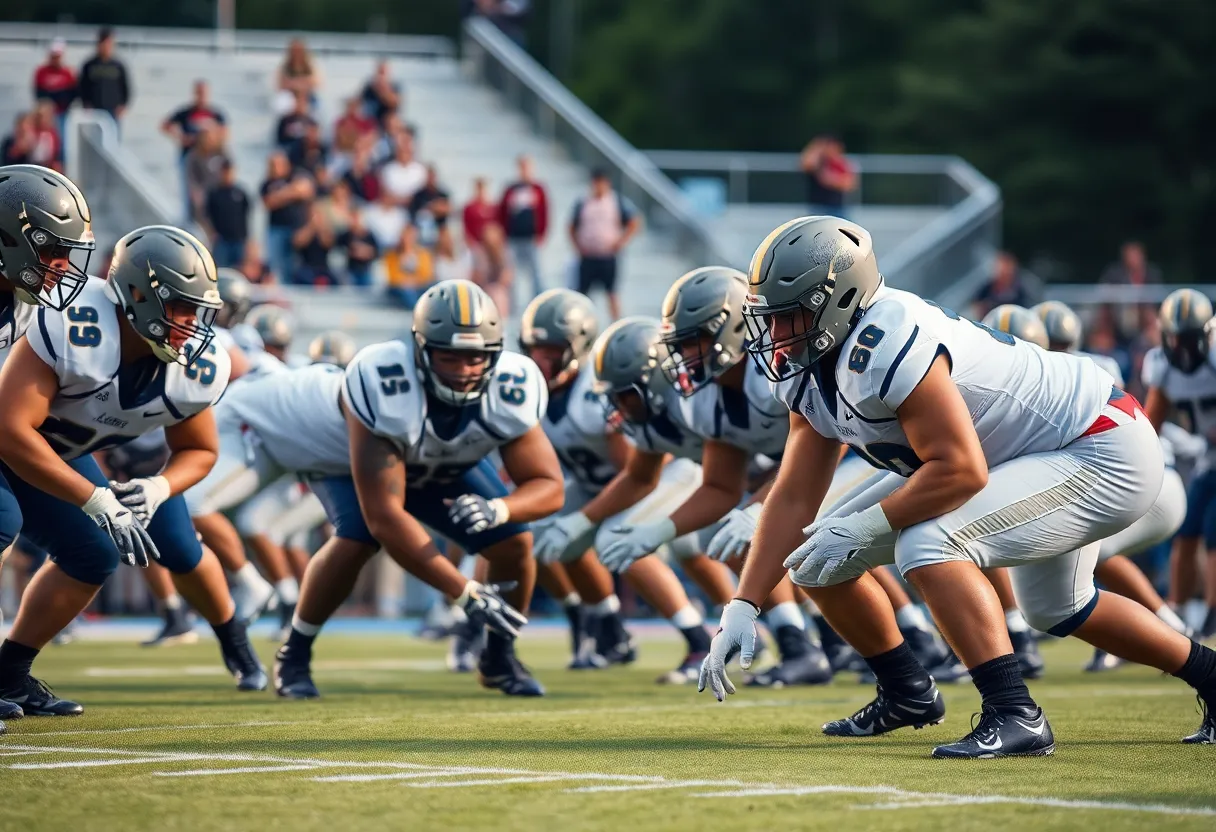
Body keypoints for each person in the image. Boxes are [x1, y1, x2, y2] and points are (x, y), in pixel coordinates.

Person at [701, 214, 1216, 755]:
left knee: (927, 542)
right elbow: (795, 492)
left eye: (790, 317)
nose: (776, 337)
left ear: (838, 299)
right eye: (771, 319)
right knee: (816, 557)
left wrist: (867, 525)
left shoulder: (886, 339)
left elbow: (959, 470)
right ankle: (907, 691)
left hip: (1099, 444)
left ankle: (1015, 713)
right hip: (1024, 456)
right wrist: (744, 602)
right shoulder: (813, 362)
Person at [0, 225, 268, 720]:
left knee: (104, 552)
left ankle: (11, 673)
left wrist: (159, 485)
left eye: (200, 310)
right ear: (138, 295)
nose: (193, 324)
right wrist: (94, 499)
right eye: (181, 307)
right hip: (18, 438)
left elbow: (200, 449)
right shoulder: (74, 324)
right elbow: (10, 431)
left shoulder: (197, 365)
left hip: (83, 455)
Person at [597, 267, 832, 687]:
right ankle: (808, 642)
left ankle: (881, 640)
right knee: (727, 536)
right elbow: (720, 487)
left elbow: (830, 445)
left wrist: (760, 507)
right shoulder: (703, 397)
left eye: (693, 342)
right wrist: (658, 532)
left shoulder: (777, 369)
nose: (684, 356)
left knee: (839, 537)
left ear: (735, 328)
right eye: (679, 345)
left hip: (853, 458)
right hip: (799, 473)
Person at [1029, 299, 1189, 672]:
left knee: (1088, 551)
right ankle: (1170, 627)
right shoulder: (1072, 369)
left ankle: (1165, 634)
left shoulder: (1072, 372)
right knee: (1086, 555)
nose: (1057, 353)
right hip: (1141, 477)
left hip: (1148, 481)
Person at [518, 289, 636, 668]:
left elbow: (634, 471)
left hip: (642, 483)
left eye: (551, 350)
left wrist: (588, 517)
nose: (540, 360)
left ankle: (696, 635)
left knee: (625, 539)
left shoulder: (597, 389)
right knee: (539, 530)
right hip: (590, 485)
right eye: (534, 349)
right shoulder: (530, 393)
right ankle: (605, 626)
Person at [1143, 289, 1216, 640]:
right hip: (1208, 460)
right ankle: (1181, 610)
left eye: (1188, 339)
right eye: (1176, 338)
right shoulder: (1162, 367)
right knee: (1186, 535)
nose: (1182, 347)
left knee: (1214, 532)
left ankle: (1212, 616)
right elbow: (1150, 423)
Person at [570, 170, 640, 321]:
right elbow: (571, 226)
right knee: (583, 294)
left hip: (607, 256)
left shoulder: (616, 201)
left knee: (612, 293)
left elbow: (634, 221)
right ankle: (580, 323)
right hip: (588, 256)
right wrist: (578, 246)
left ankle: (616, 324)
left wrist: (620, 242)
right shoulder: (583, 202)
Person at [162, 80, 227, 221]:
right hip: (190, 157)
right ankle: (190, 219)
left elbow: (225, 134)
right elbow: (165, 125)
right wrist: (181, 137)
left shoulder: (215, 114)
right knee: (190, 192)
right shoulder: (186, 112)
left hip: (209, 158)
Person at [260, 151, 314, 287]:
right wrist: (292, 192)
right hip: (276, 229)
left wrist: (280, 195)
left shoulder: (296, 174)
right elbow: (269, 202)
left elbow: (306, 190)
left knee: (294, 266)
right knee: (276, 266)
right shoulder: (267, 183)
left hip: (296, 229)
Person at [500, 155, 549, 302]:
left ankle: (537, 302)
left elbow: (544, 212)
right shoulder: (511, 189)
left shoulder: (538, 189)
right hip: (513, 238)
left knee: (536, 274)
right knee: (512, 275)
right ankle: (512, 304)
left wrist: (541, 233)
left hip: (531, 237)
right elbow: (502, 212)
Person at [78, 28, 130, 125]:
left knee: (113, 137)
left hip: (113, 109)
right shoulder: (90, 65)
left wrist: (123, 105)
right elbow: (82, 86)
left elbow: (125, 86)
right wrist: (85, 103)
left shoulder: (118, 65)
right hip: (95, 109)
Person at [205, 159, 251, 269]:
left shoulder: (240, 193)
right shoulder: (214, 193)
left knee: (239, 270)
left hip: (239, 239)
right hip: (222, 240)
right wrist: (211, 233)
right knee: (221, 269)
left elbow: (246, 215)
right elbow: (207, 215)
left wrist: (247, 239)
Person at [184, 126, 228, 231]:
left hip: (219, 195)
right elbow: (191, 178)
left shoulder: (221, 153)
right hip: (204, 195)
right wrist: (196, 193)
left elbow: (228, 171)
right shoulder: (194, 156)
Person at [800, 135, 856, 215]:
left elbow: (848, 184)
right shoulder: (818, 163)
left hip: (836, 207)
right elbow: (806, 164)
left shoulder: (840, 164)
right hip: (817, 207)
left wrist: (830, 178)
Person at [33, 38, 77, 139]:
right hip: (45, 115)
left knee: (61, 139)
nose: (55, 59)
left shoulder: (68, 73)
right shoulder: (42, 72)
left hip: (62, 112)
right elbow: (39, 93)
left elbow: (73, 93)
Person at [384, 225, 434, 308]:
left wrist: (414, 281)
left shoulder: (423, 253)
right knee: (408, 292)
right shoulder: (392, 255)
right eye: (407, 235)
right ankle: (416, 311)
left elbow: (427, 274)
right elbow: (392, 277)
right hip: (399, 287)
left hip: (419, 285)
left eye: (412, 236)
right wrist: (406, 281)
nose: (409, 239)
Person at [970, 251, 1032, 318]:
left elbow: (1023, 311)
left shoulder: (1019, 290)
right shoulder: (988, 286)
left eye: (1008, 268)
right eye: (1002, 268)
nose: (1005, 272)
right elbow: (976, 304)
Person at [290, 203, 335, 285]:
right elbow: (297, 242)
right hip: (306, 267)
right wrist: (311, 226)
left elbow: (328, 243)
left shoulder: (326, 230)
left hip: (323, 268)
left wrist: (320, 227)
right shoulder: (302, 227)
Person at [408, 165, 451, 250]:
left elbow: (447, 209)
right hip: (421, 229)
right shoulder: (418, 195)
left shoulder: (442, 194)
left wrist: (437, 208)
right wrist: (432, 207)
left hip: (438, 229)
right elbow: (415, 214)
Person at [380, 134, 427, 209]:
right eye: (402, 150)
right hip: (393, 206)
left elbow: (422, 190)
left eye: (407, 150)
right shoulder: (388, 169)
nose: (405, 154)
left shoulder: (420, 169)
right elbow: (385, 190)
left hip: (415, 206)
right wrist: (399, 200)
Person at [336, 209, 379, 287]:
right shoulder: (346, 235)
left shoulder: (369, 236)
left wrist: (365, 251)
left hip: (366, 269)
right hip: (349, 270)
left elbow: (376, 253)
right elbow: (338, 251)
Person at [277, 39, 321, 111]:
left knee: (317, 105)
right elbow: (280, 84)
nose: (296, 53)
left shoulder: (311, 65)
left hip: (307, 95)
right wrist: (298, 85)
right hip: (290, 95)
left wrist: (298, 86)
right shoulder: (285, 66)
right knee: (281, 101)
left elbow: (316, 83)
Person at [27, 101, 63, 173]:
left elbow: (56, 154)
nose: (44, 119)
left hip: (48, 168)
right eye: (41, 116)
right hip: (31, 167)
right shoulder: (31, 131)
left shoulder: (53, 134)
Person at [463, 177, 499, 248]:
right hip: (476, 243)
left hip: (491, 244)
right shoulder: (470, 208)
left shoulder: (493, 207)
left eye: (482, 189)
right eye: (479, 189)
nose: (481, 192)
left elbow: (497, 224)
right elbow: (466, 226)